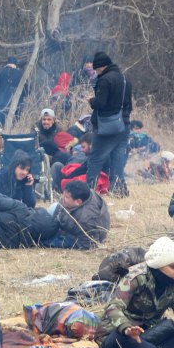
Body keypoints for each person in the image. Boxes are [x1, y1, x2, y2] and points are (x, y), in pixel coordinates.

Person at [97, 237, 174, 348]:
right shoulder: (135, 277)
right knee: (122, 338)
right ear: (159, 264)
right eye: (172, 267)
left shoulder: (171, 284)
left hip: (147, 334)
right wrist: (126, 328)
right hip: (119, 334)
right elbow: (113, 307)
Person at [84, 52, 133, 196]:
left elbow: (99, 103)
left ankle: (88, 193)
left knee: (95, 160)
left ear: (102, 66)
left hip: (107, 128)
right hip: (124, 125)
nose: (96, 72)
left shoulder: (104, 80)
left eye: (97, 69)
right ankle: (120, 191)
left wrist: (91, 100)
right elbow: (129, 105)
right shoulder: (125, 79)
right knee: (117, 161)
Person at [48, 180, 110, 249]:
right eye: (64, 194)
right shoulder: (87, 193)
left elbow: (87, 244)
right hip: (76, 224)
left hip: (83, 235)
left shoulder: (86, 220)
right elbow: (60, 205)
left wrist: (64, 233)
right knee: (53, 207)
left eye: (66, 197)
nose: (63, 197)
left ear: (78, 201)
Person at [0, 56, 26, 127]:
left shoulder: (0, 72)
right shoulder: (21, 74)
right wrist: (21, 98)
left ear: (7, 63)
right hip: (16, 104)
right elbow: (27, 90)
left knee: (0, 125)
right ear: (16, 64)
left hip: (1, 104)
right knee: (15, 124)